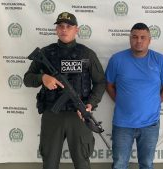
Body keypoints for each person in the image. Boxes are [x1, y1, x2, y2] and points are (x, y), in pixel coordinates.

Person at [23, 12, 106, 169]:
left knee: (82, 163)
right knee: (50, 163)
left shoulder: (87, 54)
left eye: (69, 26)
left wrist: (89, 104)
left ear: (77, 30)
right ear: (56, 30)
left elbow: (100, 82)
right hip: (52, 116)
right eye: (60, 26)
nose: (64, 30)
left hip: (79, 116)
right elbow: (27, 79)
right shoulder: (45, 53)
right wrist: (43, 78)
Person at [105, 22, 163, 169]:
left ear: (149, 40)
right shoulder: (117, 59)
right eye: (135, 37)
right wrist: (120, 101)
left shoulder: (160, 61)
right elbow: (109, 85)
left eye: (143, 37)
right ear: (130, 39)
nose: (139, 41)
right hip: (122, 124)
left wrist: (156, 102)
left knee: (147, 164)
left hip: (150, 124)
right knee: (119, 164)